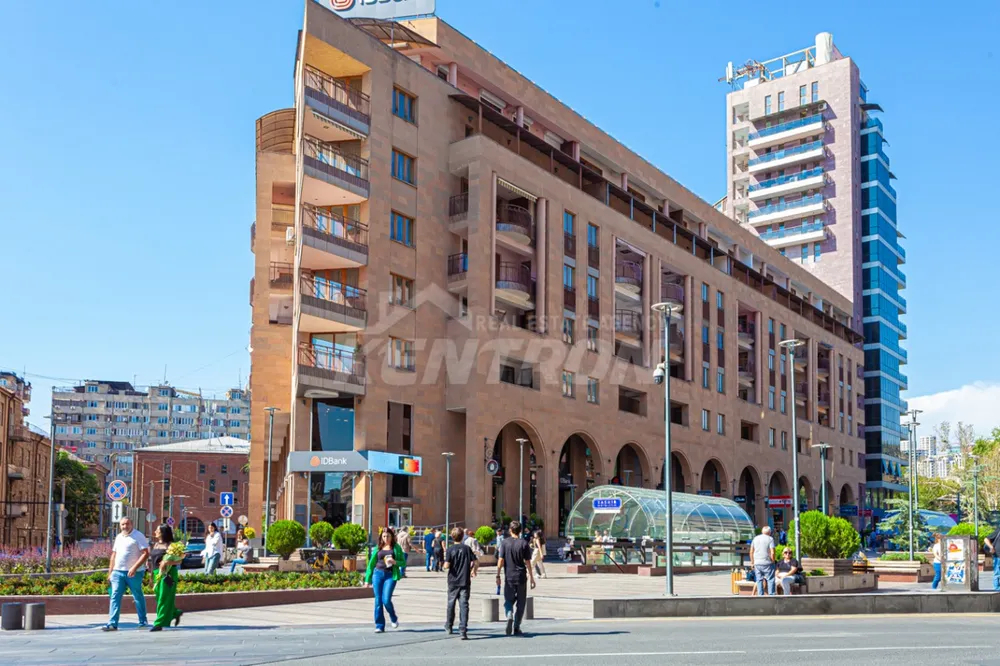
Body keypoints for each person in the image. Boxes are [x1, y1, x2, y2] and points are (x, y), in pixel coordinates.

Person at [102, 517, 149, 631]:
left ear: (132, 524)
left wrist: (134, 567)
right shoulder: (119, 537)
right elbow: (114, 555)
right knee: (115, 596)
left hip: (134, 573)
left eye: (127, 524)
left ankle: (143, 621)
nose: (125, 526)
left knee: (137, 596)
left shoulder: (138, 536)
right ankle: (112, 623)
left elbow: (145, 553)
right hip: (118, 572)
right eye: (122, 524)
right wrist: (110, 572)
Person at [496, 521, 536, 637]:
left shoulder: (504, 543)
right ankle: (517, 626)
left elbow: (501, 560)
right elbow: (528, 562)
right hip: (521, 576)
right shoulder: (524, 543)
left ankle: (509, 614)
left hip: (509, 576)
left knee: (508, 600)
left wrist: (498, 575)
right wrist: (531, 577)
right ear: (520, 531)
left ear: (510, 530)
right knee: (521, 602)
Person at [364, 527, 405, 633]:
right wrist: (367, 579)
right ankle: (379, 625)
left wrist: (395, 562)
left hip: (390, 575)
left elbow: (403, 562)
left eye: (388, 536)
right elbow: (371, 564)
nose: (386, 538)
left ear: (392, 537)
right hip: (377, 574)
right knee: (378, 601)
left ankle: (393, 617)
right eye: (384, 536)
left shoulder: (396, 547)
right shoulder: (378, 547)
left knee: (386, 600)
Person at [444, 527, 478, 639]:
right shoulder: (467, 549)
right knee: (464, 605)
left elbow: (446, 565)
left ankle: (449, 625)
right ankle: (463, 629)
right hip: (465, 580)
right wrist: (474, 570)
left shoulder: (450, 549)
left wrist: (445, 565)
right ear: (463, 536)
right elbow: (476, 561)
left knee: (451, 603)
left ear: (452, 537)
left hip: (453, 581)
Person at [149, 525, 185, 631]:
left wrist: (167, 562)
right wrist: (151, 576)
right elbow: (153, 562)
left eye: (157, 530)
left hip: (168, 573)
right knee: (159, 597)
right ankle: (174, 613)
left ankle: (159, 623)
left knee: (163, 598)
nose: (155, 531)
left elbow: (179, 560)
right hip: (156, 573)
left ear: (163, 532)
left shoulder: (172, 546)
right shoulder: (156, 545)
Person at [749, 526, 776, 596]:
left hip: (757, 563)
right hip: (767, 562)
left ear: (762, 531)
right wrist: (773, 561)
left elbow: (751, 552)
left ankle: (760, 596)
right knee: (770, 579)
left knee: (759, 580)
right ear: (769, 532)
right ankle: (771, 595)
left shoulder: (755, 538)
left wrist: (752, 562)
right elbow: (772, 552)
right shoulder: (770, 539)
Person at [985, 524, 1000, 590]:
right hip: (998, 555)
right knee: (997, 573)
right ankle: (997, 588)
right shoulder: (998, 531)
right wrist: (991, 547)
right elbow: (986, 539)